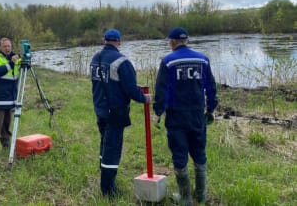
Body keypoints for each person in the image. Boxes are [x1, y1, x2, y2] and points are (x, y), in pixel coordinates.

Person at [153, 27, 218, 205]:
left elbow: (161, 90)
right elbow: (211, 87)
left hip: (176, 116)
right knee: (199, 152)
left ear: (172, 43)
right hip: (197, 114)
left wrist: (158, 112)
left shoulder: (167, 61)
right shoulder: (203, 60)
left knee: (179, 154)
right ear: (187, 41)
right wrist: (211, 108)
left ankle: (185, 198)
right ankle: (201, 195)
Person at [90, 29, 153, 197]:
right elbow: (131, 90)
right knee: (113, 148)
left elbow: (107, 84)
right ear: (118, 42)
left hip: (100, 108)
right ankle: (108, 190)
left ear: (104, 41)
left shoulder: (95, 58)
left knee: (104, 144)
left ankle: (105, 178)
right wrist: (144, 98)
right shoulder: (121, 61)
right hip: (115, 112)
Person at [0, 37, 21, 156]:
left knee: (6, 125)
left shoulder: (15, 58)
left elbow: (16, 76)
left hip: (10, 98)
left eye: (9, 46)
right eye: (5, 46)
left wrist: (23, 62)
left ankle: (6, 147)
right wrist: (11, 63)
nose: (7, 48)